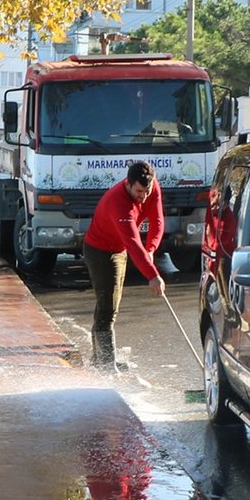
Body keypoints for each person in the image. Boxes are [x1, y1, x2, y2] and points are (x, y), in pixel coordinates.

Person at [80, 159, 166, 372]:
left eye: (147, 191)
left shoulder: (151, 187)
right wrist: (153, 275)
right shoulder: (118, 203)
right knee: (107, 308)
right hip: (99, 251)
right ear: (128, 184)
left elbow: (157, 221)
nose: (143, 197)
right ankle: (107, 366)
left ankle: (101, 358)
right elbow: (134, 243)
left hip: (119, 250)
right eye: (139, 191)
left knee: (109, 306)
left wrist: (152, 248)